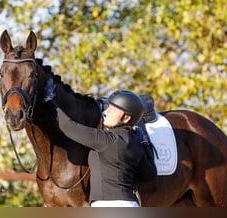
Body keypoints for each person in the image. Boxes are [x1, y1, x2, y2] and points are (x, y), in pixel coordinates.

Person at [43, 78, 157, 207]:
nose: (106, 112)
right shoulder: (136, 139)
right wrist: (145, 142)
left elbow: (68, 127)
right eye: (108, 108)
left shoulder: (108, 140)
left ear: (126, 118)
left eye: (113, 110)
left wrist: (50, 101)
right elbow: (149, 174)